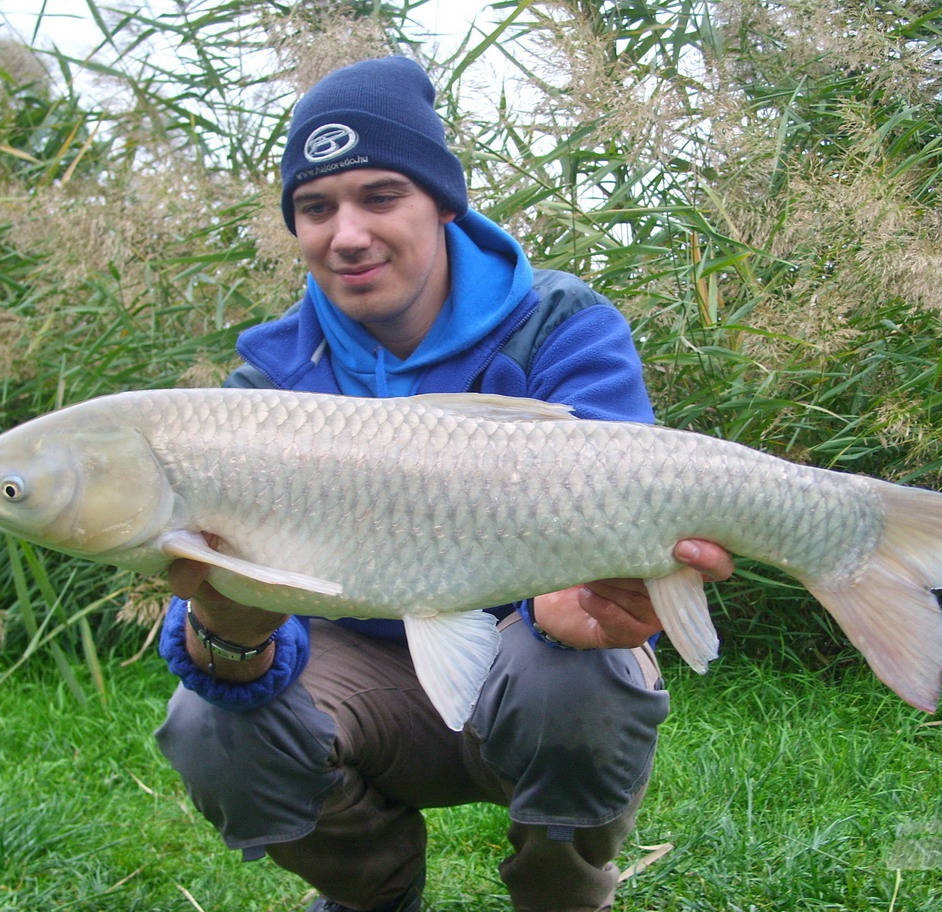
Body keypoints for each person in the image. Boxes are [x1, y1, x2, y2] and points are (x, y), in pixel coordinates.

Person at [154, 56, 733, 912]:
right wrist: (229, 633)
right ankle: (369, 893)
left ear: (443, 202)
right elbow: (209, 626)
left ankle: (564, 898)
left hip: (527, 653)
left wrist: (583, 599)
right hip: (350, 667)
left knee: (584, 676)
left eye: (380, 196)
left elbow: (628, 500)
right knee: (209, 722)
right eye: (315, 208)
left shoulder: (561, 327)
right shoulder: (266, 387)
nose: (345, 233)